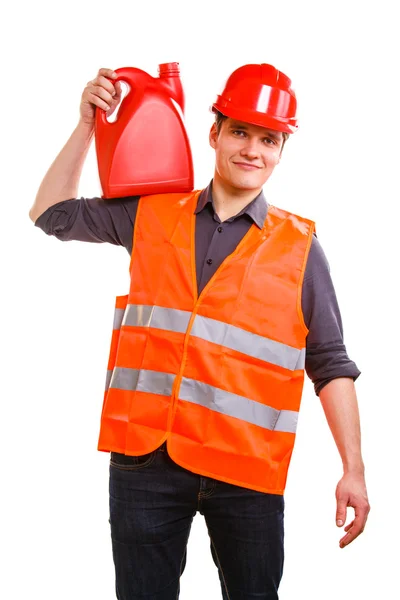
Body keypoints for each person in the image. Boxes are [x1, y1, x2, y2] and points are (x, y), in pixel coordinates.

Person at [29, 64, 370, 600]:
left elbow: (330, 363)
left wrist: (354, 468)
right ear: (214, 134)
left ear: (281, 151)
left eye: (269, 139)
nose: (252, 150)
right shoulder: (152, 214)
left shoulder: (301, 249)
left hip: (246, 472)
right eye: (240, 131)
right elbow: (50, 213)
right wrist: (86, 126)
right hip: (145, 461)